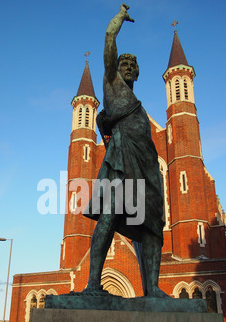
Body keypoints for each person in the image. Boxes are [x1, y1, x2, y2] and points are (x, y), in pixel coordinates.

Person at [84, 4, 169, 298]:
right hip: (121, 158)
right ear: (116, 69)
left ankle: (153, 289)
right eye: (124, 64)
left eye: (134, 66)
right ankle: (93, 283)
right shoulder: (111, 82)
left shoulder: (139, 106)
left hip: (146, 167)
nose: (129, 68)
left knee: (151, 228)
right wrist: (120, 17)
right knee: (109, 215)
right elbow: (109, 39)